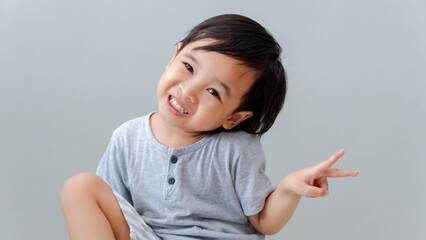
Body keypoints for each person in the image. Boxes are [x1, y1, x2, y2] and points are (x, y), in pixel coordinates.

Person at [60, 14, 358, 240]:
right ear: (174, 55)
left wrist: (290, 188)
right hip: (148, 235)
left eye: (213, 92)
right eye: (188, 67)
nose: (188, 91)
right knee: (80, 186)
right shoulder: (128, 138)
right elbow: (114, 211)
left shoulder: (237, 149)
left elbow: (264, 222)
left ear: (234, 117)